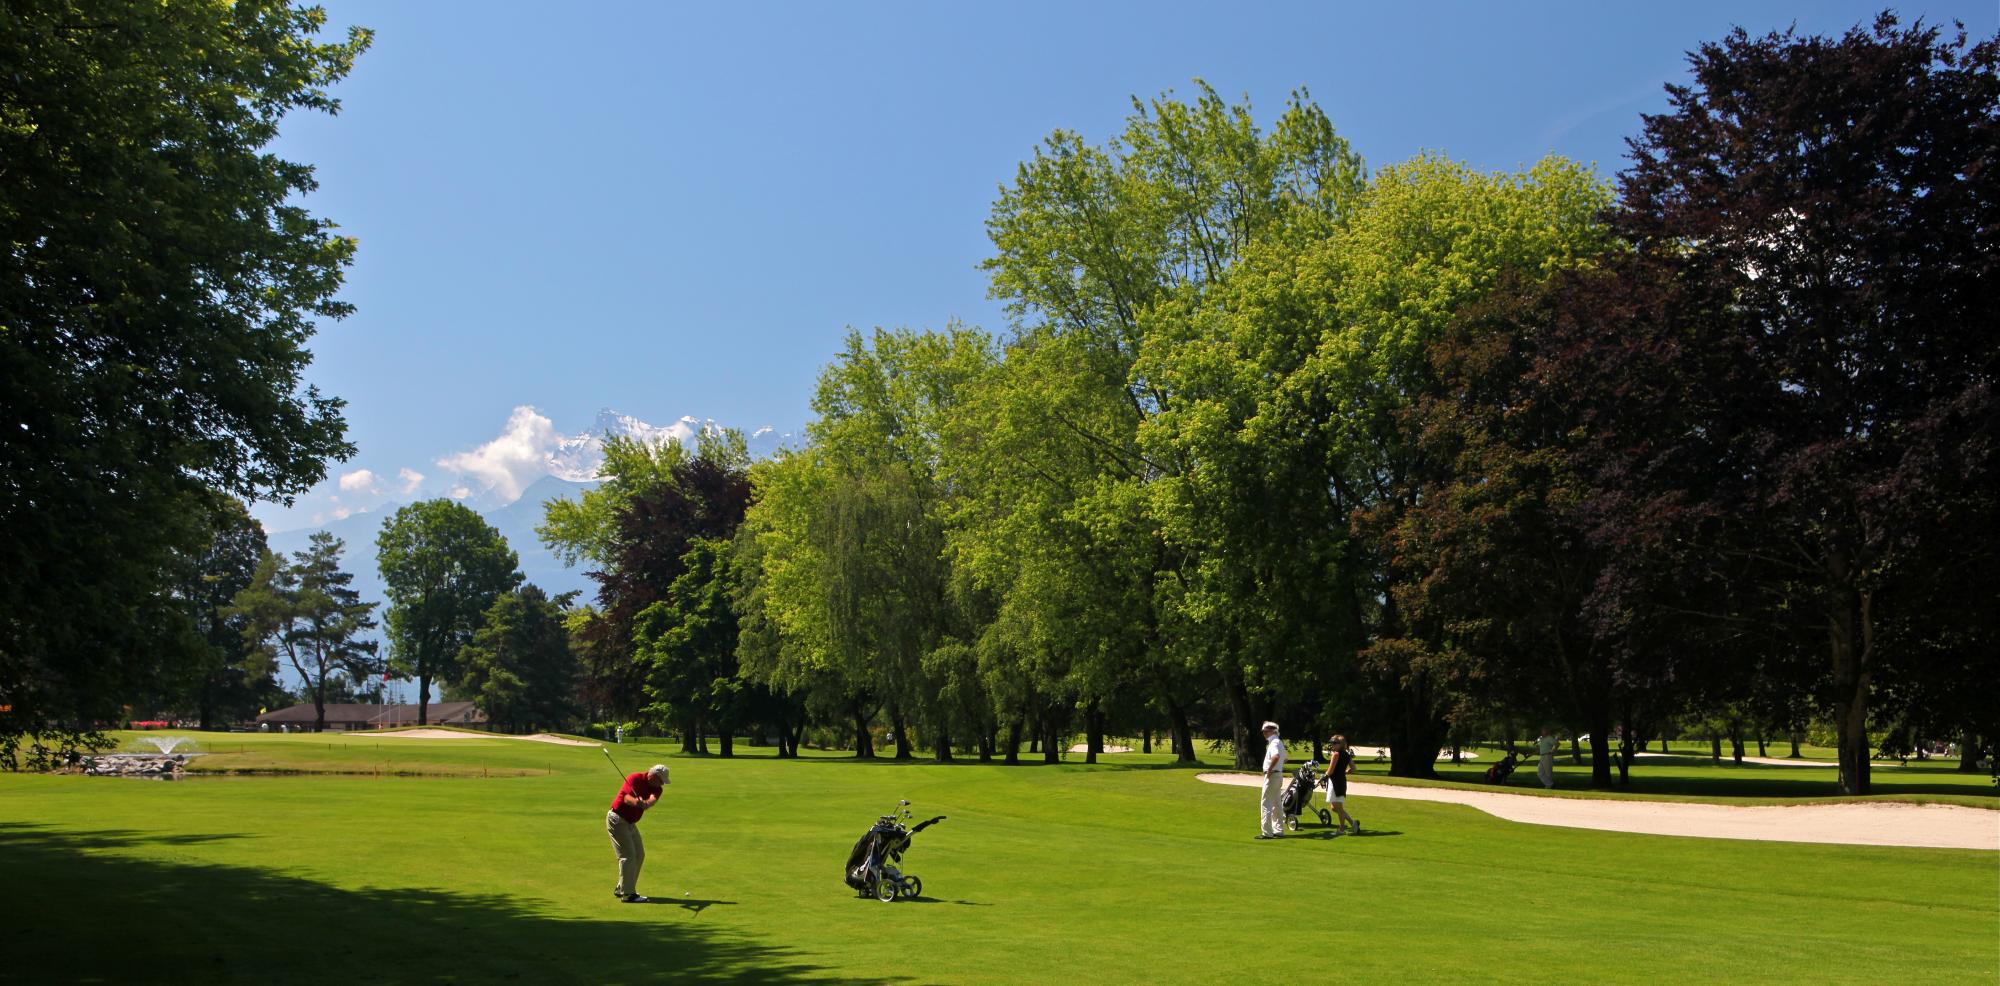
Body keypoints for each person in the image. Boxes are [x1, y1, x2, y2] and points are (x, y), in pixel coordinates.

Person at [606, 763, 670, 902]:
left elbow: (652, 799)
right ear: (653, 776)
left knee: (639, 854)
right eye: (661, 780)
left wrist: (645, 803)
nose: (662, 784)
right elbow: (626, 798)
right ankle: (628, 894)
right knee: (627, 855)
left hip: (630, 822)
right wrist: (636, 801)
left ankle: (622, 887)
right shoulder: (635, 778)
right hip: (617, 818)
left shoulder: (657, 788)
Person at [1323, 734, 1360, 835]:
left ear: (1341, 744)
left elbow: (1330, 771)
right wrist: (1345, 771)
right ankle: (1353, 823)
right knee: (1334, 807)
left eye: (1335, 743)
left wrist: (1324, 776)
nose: (1332, 745)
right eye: (1332, 743)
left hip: (1335, 782)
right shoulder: (1346, 755)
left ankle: (1342, 829)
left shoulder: (1335, 754)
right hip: (1341, 781)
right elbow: (1353, 768)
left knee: (1338, 807)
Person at [1255, 721, 1286, 840]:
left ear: (1272, 731)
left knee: (1266, 804)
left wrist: (1269, 770)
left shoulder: (1274, 743)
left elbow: (1276, 756)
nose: (1264, 733)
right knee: (1276, 803)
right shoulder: (1279, 742)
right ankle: (1278, 830)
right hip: (1278, 775)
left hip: (1272, 775)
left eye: (1265, 731)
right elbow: (1284, 758)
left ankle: (1267, 832)